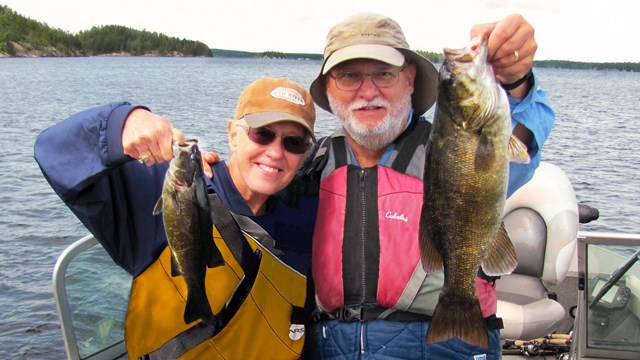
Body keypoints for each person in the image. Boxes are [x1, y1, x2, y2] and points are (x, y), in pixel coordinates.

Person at [292, 12, 555, 359]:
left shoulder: (452, 147)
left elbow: (522, 133)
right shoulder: (307, 163)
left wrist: (516, 80)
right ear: (328, 87)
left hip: (445, 347)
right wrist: (202, 173)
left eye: (384, 74)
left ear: (411, 79)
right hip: (329, 347)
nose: (368, 91)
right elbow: (245, 197)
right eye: (349, 76)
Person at [34, 77, 318, 359]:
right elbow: (53, 153)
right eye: (262, 134)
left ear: (305, 154)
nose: (275, 152)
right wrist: (121, 122)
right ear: (233, 134)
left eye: (294, 142)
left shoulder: (306, 214)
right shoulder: (160, 188)